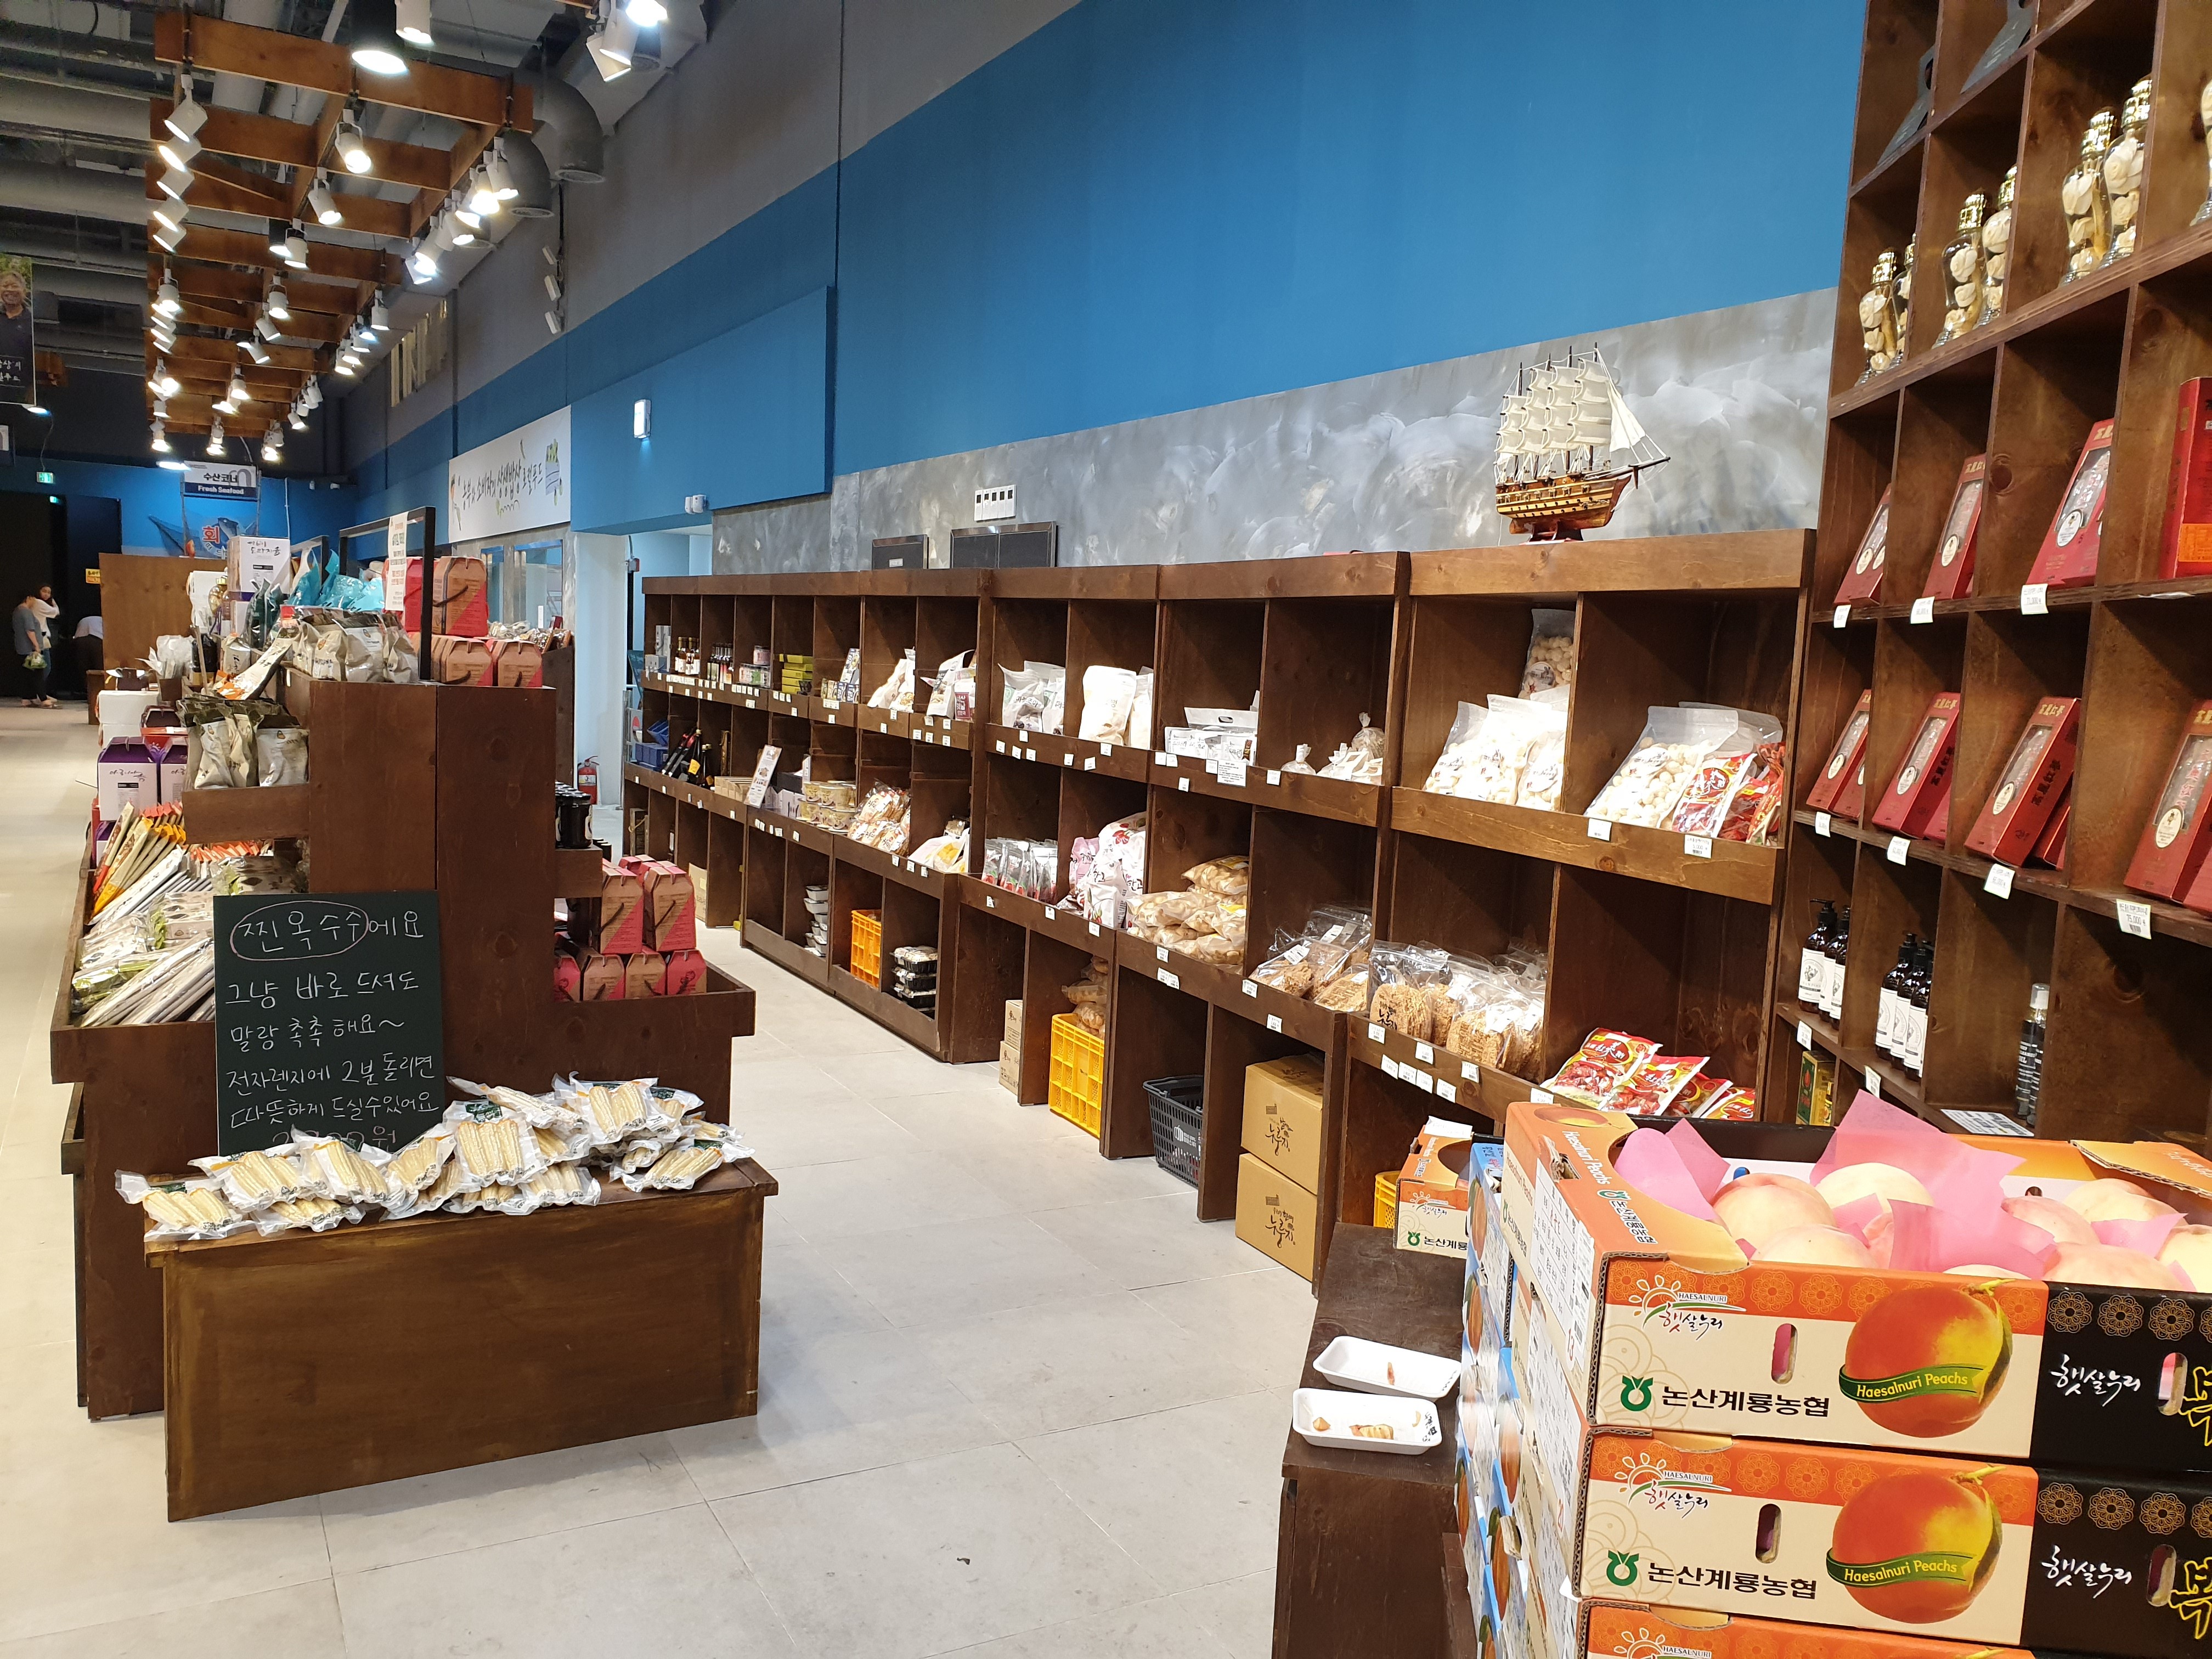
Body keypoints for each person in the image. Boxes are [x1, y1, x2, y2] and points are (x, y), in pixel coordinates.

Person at [14, 585, 57, 707]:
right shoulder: (26, 612)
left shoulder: (17, 611)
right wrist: (36, 646)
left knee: (27, 674)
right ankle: (43, 699)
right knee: (38, 673)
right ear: (28, 598)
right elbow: (30, 630)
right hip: (30, 649)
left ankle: (27, 698)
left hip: (21, 647)